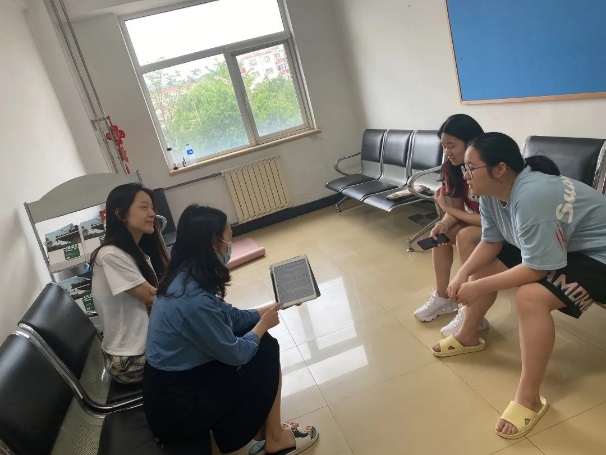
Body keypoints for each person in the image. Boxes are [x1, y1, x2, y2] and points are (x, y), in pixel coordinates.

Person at [432, 132, 606, 439]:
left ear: (500, 169)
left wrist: (476, 287)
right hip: (568, 247)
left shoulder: (532, 196)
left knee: (530, 297)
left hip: (599, 255)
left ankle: (529, 398)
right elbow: (491, 241)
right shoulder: (490, 192)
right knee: (482, 262)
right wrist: (462, 276)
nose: (465, 174)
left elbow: (538, 268)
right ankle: (468, 335)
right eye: (464, 168)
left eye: (471, 168)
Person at [143, 205, 319, 455]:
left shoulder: (184, 276)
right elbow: (237, 354)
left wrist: (276, 305)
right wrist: (263, 325)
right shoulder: (192, 299)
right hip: (176, 406)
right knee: (265, 349)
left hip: (178, 384)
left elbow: (231, 317)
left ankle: (269, 431)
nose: (230, 246)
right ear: (213, 243)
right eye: (229, 239)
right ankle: (275, 437)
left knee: (261, 344)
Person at [413, 114, 488, 337]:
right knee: (440, 236)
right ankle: (443, 297)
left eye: (452, 145)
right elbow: (455, 209)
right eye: (444, 146)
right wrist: (443, 224)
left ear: (470, 142)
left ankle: (473, 310)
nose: (447, 152)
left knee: (466, 236)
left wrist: (446, 208)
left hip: (499, 225)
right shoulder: (452, 168)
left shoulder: (485, 167)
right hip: (480, 220)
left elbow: (490, 220)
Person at [90, 183, 168, 384]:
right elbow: (152, 297)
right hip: (128, 361)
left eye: (152, 208)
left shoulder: (131, 252)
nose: (152, 214)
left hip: (146, 345)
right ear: (120, 214)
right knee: (208, 347)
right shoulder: (110, 255)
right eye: (144, 207)